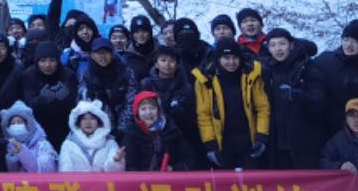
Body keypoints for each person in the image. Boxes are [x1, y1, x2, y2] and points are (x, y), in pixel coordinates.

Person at [194, 41, 270, 170]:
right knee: (224, 182)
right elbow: (203, 114)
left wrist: (262, 136)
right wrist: (210, 144)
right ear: (218, 59)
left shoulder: (252, 75)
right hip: (222, 143)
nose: (231, 62)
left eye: (235, 58)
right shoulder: (206, 79)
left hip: (249, 140)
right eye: (226, 58)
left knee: (251, 180)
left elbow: (263, 107)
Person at [262, 28, 320, 168]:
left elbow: (319, 101)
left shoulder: (307, 66)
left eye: (282, 43)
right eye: (273, 45)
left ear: (291, 45)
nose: (278, 49)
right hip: (275, 142)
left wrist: (296, 95)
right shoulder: (266, 70)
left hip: (303, 141)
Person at [135, 47, 200, 169]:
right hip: (148, 136)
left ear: (178, 64)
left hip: (177, 136)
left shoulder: (186, 86)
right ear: (156, 64)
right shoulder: (146, 84)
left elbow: (190, 116)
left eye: (172, 61)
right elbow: (138, 110)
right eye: (163, 60)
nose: (167, 64)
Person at [8, 41, 76, 150]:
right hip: (39, 127)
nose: (48, 65)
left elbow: (75, 104)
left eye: (52, 60)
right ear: (37, 61)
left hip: (65, 124)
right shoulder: (29, 75)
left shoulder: (68, 74)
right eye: (43, 61)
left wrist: (65, 98)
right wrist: (43, 98)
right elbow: (29, 105)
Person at [122, 90, 185, 172]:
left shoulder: (172, 131)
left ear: (159, 111)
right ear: (137, 113)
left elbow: (188, 160)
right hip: (142, 179)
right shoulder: (131, 134)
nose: (148, 113)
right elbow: (128, 167)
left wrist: (173, 168)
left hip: (169, 178)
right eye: (143, 109)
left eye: (152, 108)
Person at [77, 37, 133, 126]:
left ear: (112, 54)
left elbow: (131, 100)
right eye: (98, 53)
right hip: (98, 122)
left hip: (123, 119)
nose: (102, 56)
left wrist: (123, 126)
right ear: (92, 55)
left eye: (106, 52)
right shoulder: (86, 75)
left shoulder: (125, 71)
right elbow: (85, 102)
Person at [58, 101, 125, 172]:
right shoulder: (68, 144)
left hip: (102, 180)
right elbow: (65, 170)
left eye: (92, 118)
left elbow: (115, 173)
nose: (88, 122)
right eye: (84, 119)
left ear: (99, 121)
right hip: (77, 180)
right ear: (78, 122)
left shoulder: (110, 143)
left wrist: (116, 160)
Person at [0, 101, 59, 173]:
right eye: (13, 123)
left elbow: (46, 171)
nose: (16, 125)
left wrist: (22, 151)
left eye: (19, 122)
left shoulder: (42, 145)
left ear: (28, 125)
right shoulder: (6, 147)